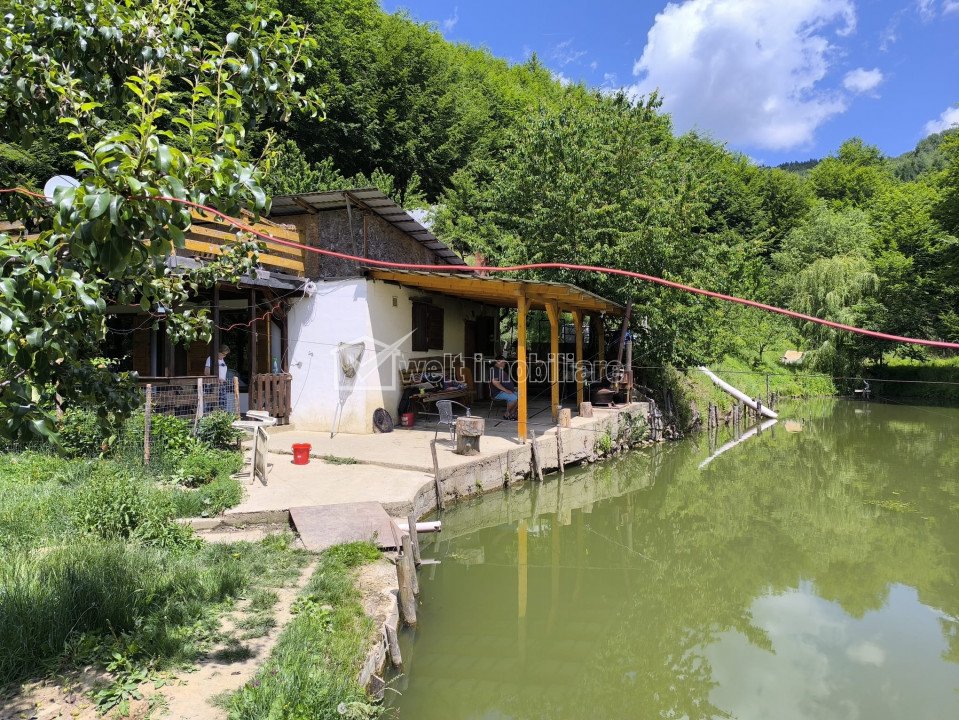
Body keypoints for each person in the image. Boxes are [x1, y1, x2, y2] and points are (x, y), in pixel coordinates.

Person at [490, 356, 518, 420]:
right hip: (498, 392)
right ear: (498, 362)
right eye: (503, 362)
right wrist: (506, 390)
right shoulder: (494, 370)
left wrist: (512, 388)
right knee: (513, 398)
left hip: (504, 391)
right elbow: (495, 382)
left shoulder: (500, 370)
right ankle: (507, 414)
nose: (504, 364)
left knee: (520, 396)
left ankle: (512, 414)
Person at [204, 344, 231, 411]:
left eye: (226, 355)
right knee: (210, 404)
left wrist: (223, 380)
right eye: (223, 354)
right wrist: (218, 379)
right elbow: (206, 372)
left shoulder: (222, 360)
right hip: (212, 385)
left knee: (223, 403)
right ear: (218, 352)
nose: (224, 356)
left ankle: (222, 417)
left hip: (222, 385)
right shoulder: (211, 358)